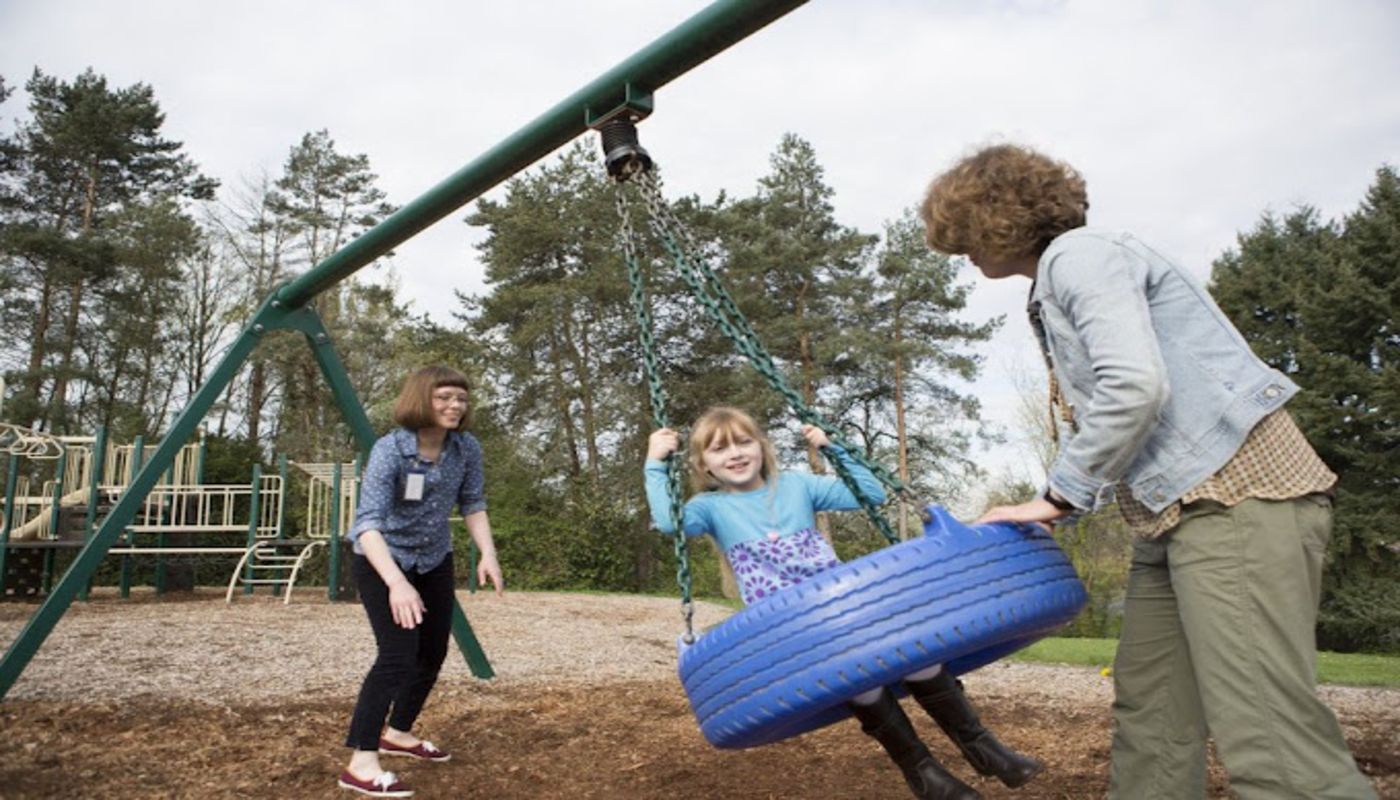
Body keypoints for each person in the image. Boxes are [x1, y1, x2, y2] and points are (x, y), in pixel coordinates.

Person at [920, 144, 1376, 800]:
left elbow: (1134, 386)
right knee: (1154, 717)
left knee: (1272, 743)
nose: (958, 250)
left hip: (1234, 497)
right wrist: (1069, 497)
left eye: (961, 232)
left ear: (997, 217)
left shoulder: (1081, 257)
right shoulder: (1056, 282)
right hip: (1170, 516)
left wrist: (1055, 498)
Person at [645, 406, 1041, 800]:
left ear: (762, 447)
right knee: (862, 688)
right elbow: (668, 523)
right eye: (719, 450)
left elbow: (870, 492)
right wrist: (655, 463)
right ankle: (925, 775)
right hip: (792, 626)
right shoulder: (708, 508)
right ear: (703, 465)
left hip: (843, 607)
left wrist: (833, 448)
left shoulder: (798, 486)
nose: (734, 453)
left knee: (922, 658)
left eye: (744, 442)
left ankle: (988, 752)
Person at [337, 366, 504, 799]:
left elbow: (473, 503)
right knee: (396, 655)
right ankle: (361, 762)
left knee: (431, 652)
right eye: (444, 397)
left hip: (433, 559)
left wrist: (487, 552)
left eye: (461, 399)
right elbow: (367, 525)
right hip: (382, 560)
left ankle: (399, 733)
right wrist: (396, 582)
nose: (455, 406)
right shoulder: (390, 450)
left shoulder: (466, 449)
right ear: (421, 399)